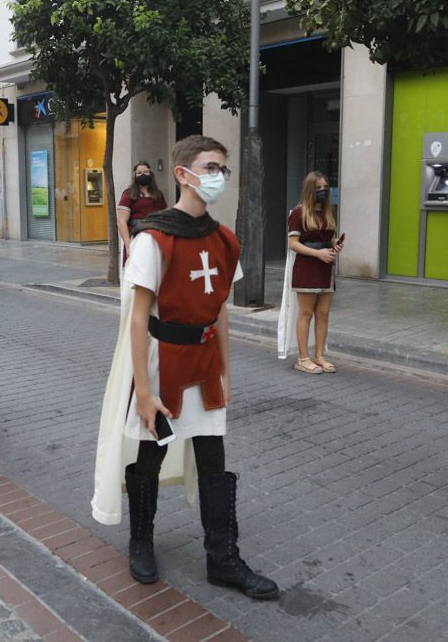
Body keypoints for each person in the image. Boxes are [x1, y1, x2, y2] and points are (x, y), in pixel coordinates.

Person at [92, 135, 279, 600]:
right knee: (151, 454)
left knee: (214, 457)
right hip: (163, 363)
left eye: (222, 169)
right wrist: (143, 388)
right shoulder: (153, 238)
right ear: (182, 174)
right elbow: (138, 318)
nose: (218, 177)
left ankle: (223, 558)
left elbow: (219, 310)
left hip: (205, 361)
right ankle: (140, 542)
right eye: (210, 167)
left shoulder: (223, 240)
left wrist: (227, 372)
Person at [279, 172, 343, 374]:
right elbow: (293, 244)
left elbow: (329, 238)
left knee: (323, 314)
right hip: (307, 267)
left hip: (326, 268)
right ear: (309, 190)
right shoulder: (298, 213)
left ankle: (320, 356)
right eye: (319, 187)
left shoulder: (327, 212)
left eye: (325, 186)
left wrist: (336, 246)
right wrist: (317, 253)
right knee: (305, 313)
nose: (323, 190)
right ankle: (303, 358)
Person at [117, 161, 167, 262]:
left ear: (151, 174)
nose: (142, 174)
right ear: (134, 176)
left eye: (145, 172)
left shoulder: (158, 194)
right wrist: (128, 245)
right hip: (136, 237)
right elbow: (121, 222)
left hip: (156, 237)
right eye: (139, 173)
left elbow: (165, 217)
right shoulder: (128, 194)